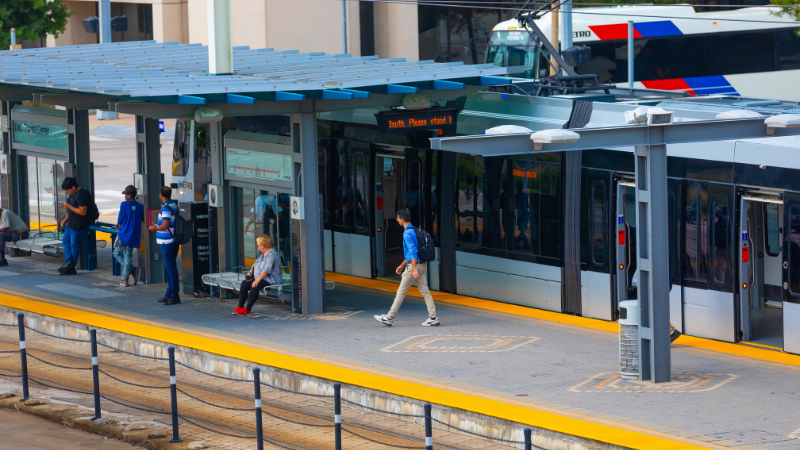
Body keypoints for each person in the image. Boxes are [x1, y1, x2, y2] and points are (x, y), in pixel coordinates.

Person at [374, 208, 440, 327]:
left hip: (415, 267)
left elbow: (413, 252)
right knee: (425, 292)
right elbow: (411, 253)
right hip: (422, 265)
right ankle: (433, 317)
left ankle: (389, 318)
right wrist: (402, 265)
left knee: (401, 292)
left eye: (398, 218)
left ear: (402, 219)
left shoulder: (407, 233)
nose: (397, 220)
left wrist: (414, 270)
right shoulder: (413, 229)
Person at [233, 235, 281, 316]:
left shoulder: (272, 255)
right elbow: (254, 265)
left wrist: (257, 280)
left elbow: (266, 270)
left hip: (271, 279)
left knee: (255, 286)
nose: (257, 246)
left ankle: (248, 309)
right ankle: (240, 307)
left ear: (262, 245)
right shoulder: (261, 254)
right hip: (260, 278)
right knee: (244, 284)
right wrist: (250, 273)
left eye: (257, 245)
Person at [149, 186, 181, 305]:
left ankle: (174, 295)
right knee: (168, 268)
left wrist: (155, 228)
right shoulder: (171, 204)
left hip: (167, 242)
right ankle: (169, 293)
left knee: (170, 268)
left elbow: (165, 225)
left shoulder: (166, 208)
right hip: (169, 241)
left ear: (161, 195)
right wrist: (157, 225)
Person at [631, 270, 681, 342]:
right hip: (657, 286)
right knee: (653, 311)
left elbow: (635, 281)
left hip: (654, 287)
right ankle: (670, 332)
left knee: (652, 311)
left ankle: (671, 332)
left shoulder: (648, 261)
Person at [58, 177, 91, 276]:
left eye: (68, 189)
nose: (67, 192)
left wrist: (69, 207)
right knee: (65, 241)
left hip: (78, 225)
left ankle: (70, 266)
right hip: (70, 224)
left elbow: (82, 211)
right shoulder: (72, 195)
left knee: (74, 245)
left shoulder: (82, 195)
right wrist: (65, 219)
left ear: (73, 187)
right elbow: (70, 211)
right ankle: (69, 262)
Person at [114, 185, 144, 287]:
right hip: (133, 236)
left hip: (124, 234)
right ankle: (132, 270)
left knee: (117, 253)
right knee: (127, 256)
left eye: (125, 194)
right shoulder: (140, 207)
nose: (124, 196)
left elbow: (119, 221)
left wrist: (118, 225)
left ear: (129, 195)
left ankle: (125, 279)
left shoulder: (124, 205)